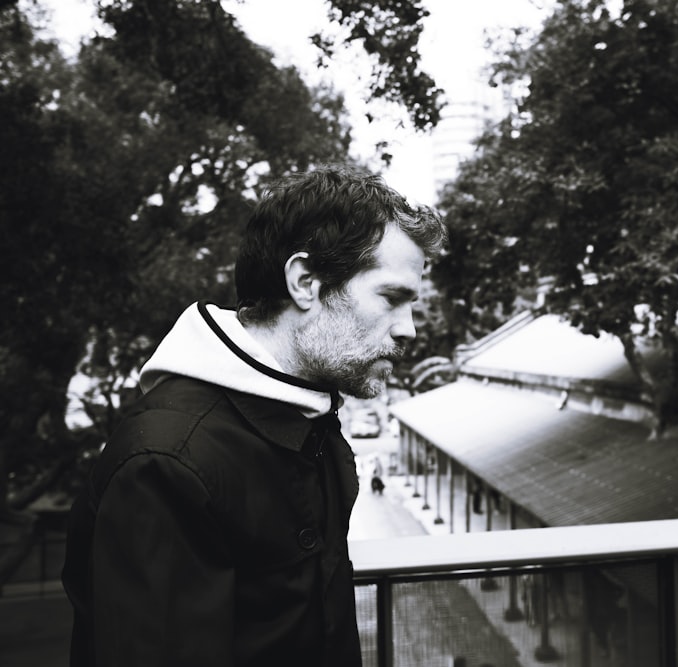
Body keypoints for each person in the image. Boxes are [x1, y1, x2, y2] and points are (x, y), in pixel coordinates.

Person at [61, 164, 447, 667]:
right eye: (392, 298)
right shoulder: (166, 464)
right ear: (306, 282)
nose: (409, 330)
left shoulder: (311, 419)